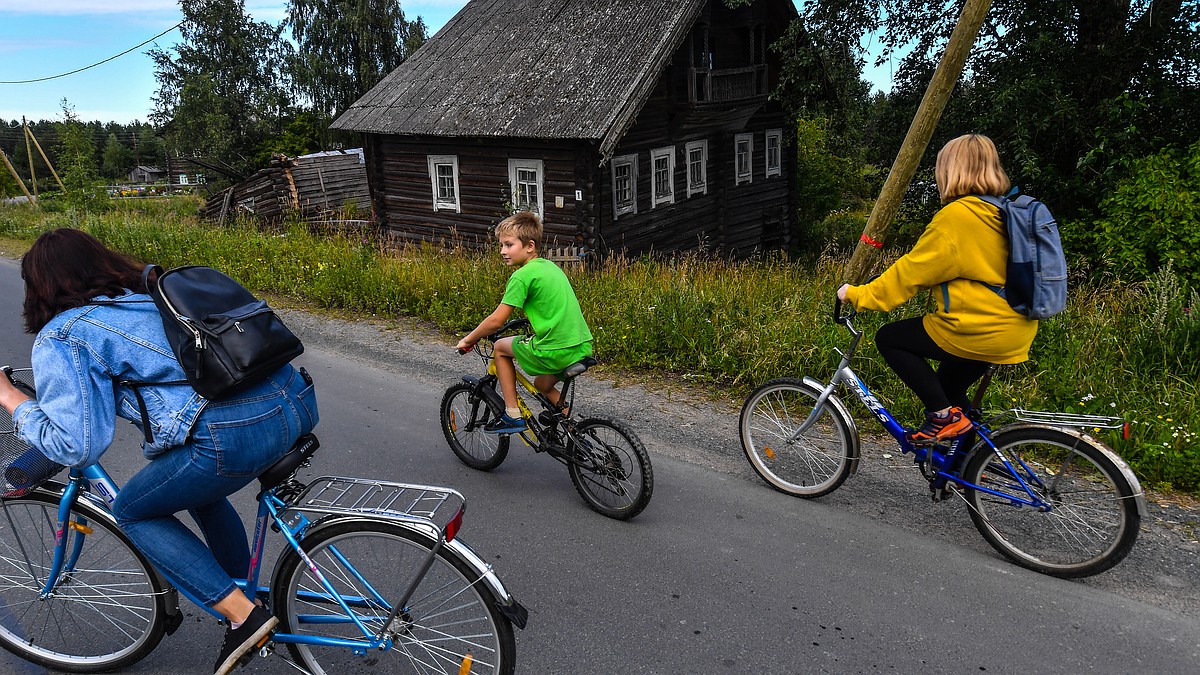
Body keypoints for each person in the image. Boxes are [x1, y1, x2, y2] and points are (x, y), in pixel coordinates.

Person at [0, 229, 319, 675]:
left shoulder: (64, 334)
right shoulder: (151, 296)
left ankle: (244, 617)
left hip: (237, 432)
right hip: (296, 400)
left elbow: (77, 443)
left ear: (40, 287)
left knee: (132, 510)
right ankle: (242, 592)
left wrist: (12, 398)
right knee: (199, 494)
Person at [837, 134, 1037, 445]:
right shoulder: (1003, 210)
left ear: (951, 171)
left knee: (890, 339)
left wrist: (858, 295)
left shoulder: (959, 217)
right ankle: (968, 465)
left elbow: (911, 272)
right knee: (948, 388)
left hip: (978, 329)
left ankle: (942, 418)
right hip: (1015, 326)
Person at [455, 211, 594, 433]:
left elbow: (495, 321)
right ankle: (576, 434)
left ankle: (512, 415)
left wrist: (469, 339)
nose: (502, 251)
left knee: (500, 348)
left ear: (529, 246)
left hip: (554, 350)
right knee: (542, 385)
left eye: (509, 245)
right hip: (581, 346)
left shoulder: (521, 276)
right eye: (501, 245)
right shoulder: (550, 267)